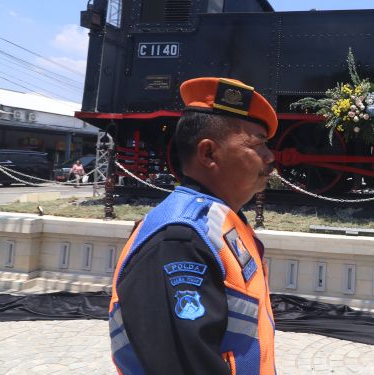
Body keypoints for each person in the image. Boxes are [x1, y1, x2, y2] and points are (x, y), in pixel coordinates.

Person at [108, 77, 278, 375]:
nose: (270, 156)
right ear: (209, 153)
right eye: (258, 143)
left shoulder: (220, 221)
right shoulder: (178, 242)